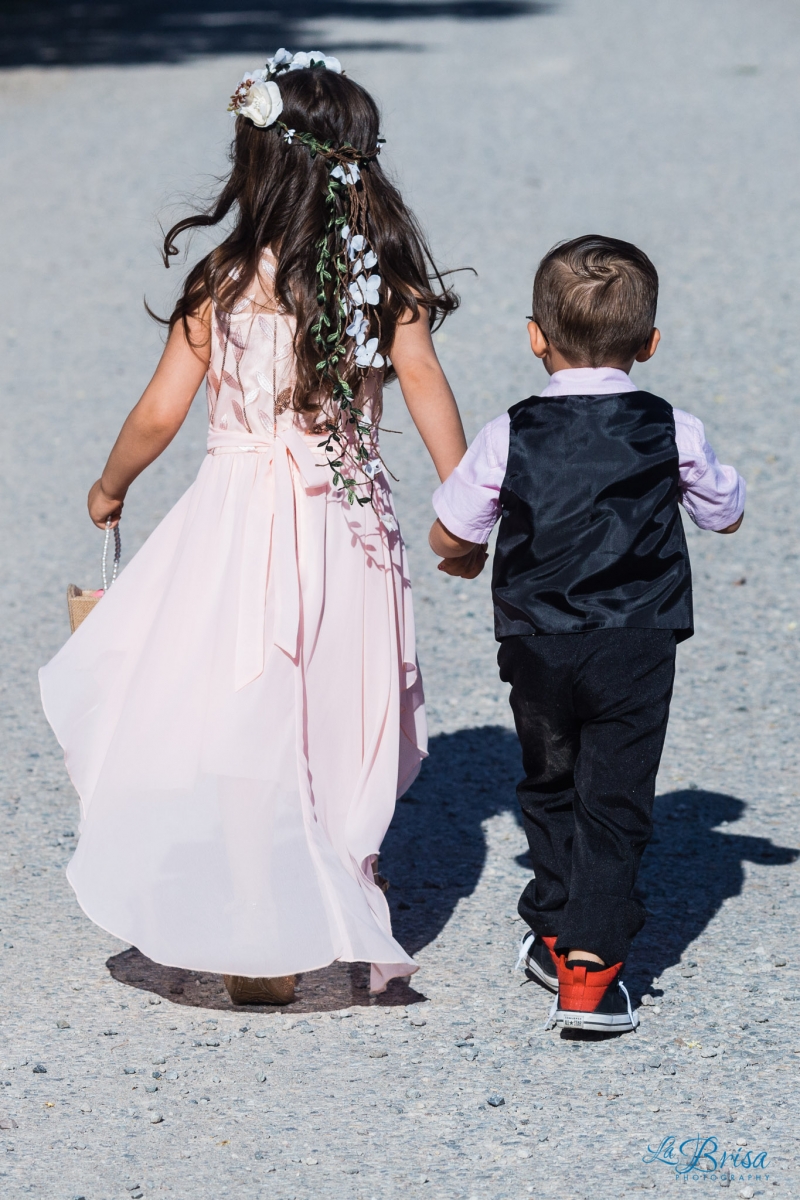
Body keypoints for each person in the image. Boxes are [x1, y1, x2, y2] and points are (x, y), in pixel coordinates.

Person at [40, 49, 468, 1005]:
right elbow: (427, 386)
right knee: (341, 703)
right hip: (346, 527)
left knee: (241, 704)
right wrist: (463, 500)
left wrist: (111, 484)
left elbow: (159, 412)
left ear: (255, 164)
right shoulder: (381, 282)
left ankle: (256, 920)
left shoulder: (224, 282)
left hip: (240, 523)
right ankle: (340, 875)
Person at [429, 235, 745, 1032]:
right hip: (637, 637)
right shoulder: (669, 427)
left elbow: (451, 529)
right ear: (650, 343)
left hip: (536, 635)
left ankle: (555, 928)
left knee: (549, 778)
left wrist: (462, 553)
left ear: (535, 337)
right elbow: (725, 513)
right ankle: (590, 968)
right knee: (615, 796)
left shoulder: (510, 431)